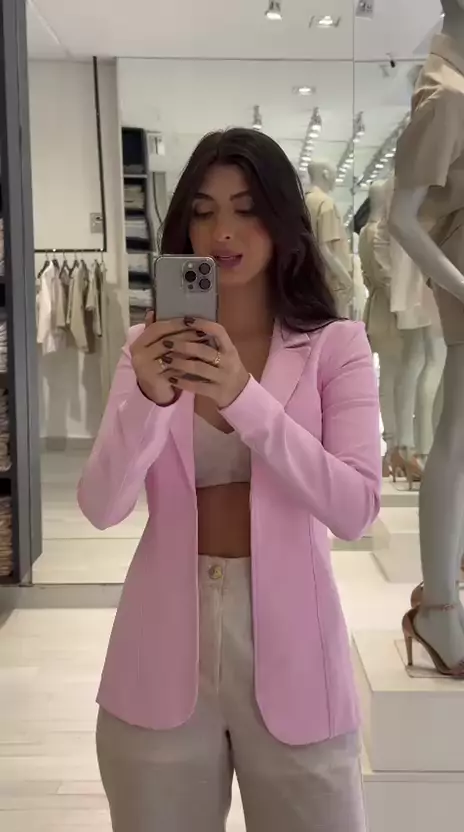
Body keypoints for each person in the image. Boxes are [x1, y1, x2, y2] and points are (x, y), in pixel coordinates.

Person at [78, 128, 381, 832]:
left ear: (282, 221)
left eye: (247, 209)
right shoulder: (148, 350)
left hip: (297, 653)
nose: (223, 232)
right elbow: (102, 505)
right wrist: (149, 400)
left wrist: (245, 398)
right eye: (204, 211)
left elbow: (356, 508)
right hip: (160, 648)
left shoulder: (335, 346)